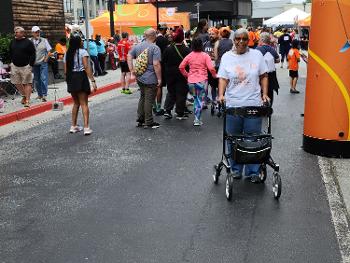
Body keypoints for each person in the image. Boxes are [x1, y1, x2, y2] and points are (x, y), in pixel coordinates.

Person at [217, 28, 269, 183]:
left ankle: (253, 171)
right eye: (238, 39)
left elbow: (264, 75)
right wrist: (221, 94)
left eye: (244, 39)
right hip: (233, 104)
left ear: (249, 40)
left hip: (253, 104)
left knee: (252, 138)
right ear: (234, 40)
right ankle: (235, 169)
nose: (241, 42)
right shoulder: (227, 57)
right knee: (233, 138)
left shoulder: (257, 55)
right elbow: (223, 78)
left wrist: (264, 94)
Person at [127, 28, 162, 129]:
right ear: (153, 36)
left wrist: (132, 69)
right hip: (151, 78)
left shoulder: (137, 46)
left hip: (140, 77)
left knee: (142, 97)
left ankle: (141, 119)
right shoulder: (155, 48)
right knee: (149, 99)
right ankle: (149, 121)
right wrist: (159, 78)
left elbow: (129, 56)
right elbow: (156, 64)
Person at [179, 38, 217, 126]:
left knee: (196, 99)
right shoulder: (205, 55)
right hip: (202, 81)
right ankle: (197, 119)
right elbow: (211, 68)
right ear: (201, 45)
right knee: (200, 100)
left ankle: (197, 117)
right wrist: (214, 75)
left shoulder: (189, 55)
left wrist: (187, 74)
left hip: (191, 81)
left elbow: (181, 67)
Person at [64, 35, 97, 135]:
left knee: (76, 103)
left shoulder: (67, 53)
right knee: (84, 103)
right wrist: (93, 81)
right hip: (81, 77)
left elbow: (65, 70)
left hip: (71, 78)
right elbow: (86, 67)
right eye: (81, 41)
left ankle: (73, 126)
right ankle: (86, 127)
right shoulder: (83, 52)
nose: (82, 42)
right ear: (79, 43)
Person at [163, 28, 191, 120]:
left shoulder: (168, 49)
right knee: (181, 93)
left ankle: (167, 110)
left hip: (170, 74)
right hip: (182, 74)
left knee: (171, 92)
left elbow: (164, 61)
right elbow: (190, 63)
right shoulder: (187, 50)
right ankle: (180, 112)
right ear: (182, 38)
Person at [9, 26, 36, 107]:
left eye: (18, 32)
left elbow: (33, 54)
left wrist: (30, 65)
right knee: (16, 82)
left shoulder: (28, 42)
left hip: (26, 66)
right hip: (15, 65)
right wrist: (11, 62)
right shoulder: (12, 41)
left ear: (23, 33)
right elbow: (10, 52)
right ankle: (24, 95)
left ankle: (27, 100)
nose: (16, 33)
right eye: (15, 32)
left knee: (27, 83)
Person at [256, 32, 280, 105]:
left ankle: (260, 108)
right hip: (271, 75)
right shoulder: (272, 49)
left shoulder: (257, 49)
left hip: (260, 75)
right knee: (270, 92)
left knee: (260, 91)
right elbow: (278, 60)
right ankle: (269, 108)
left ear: (262, 40)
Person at [31, 26, 51, 102]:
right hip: (34, 63)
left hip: (43, 62)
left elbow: (49, 51)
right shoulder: (30, 41)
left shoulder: (44, 40)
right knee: (36, 79)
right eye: (36, 32)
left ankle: (44, 95)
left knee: (43, 78)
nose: (37, 33)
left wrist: (46, 59)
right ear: (32, 33)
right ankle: (39, 95)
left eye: (38, 32)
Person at [154, 23, 170, 116]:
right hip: (161, 65)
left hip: (151, 64)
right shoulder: (163, 40)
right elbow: (166, 54)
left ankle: (154, 106)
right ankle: (159, 107)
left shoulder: (153, 39)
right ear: (163, 30)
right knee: (159, 86)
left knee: (153, 86)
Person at [204, 27, 219, 104]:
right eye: (210, 34)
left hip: (216, 68)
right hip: (206, 68)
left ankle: (214, 100)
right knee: (205, 85)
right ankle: (205, 100)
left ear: (217, 35)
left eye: (213, 34)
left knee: (214, 86)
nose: (211, 35)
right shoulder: (206, 44)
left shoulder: (219, 44)